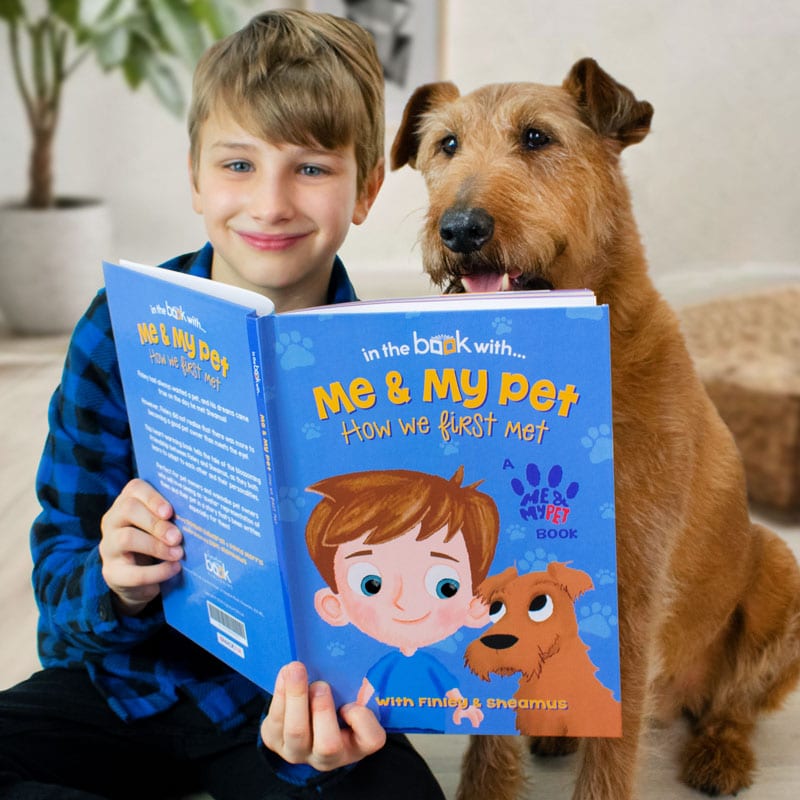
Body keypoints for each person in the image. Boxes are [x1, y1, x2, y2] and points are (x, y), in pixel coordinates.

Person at [0, 10, 445, 800]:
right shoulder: (117, 330)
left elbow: (408, 620)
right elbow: (58, 595)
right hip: (126, 688)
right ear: (197, 179)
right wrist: (119, 581)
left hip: (288, 711)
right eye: (238, 165)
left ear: (367, 187)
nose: (270, 205)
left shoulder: (399, 375)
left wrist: (357, 710)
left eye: (311, 169)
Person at [306, 467, 500, 732]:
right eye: (371, 584)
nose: (405, 603)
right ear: (333, 606)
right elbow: (366, 690)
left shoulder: (427, 665)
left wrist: (463, 706)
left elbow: (451, 689)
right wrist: (354, 712)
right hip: (381, 727)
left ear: (477, 605)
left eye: (445, 586)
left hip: (431, 725)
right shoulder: (387, 665)